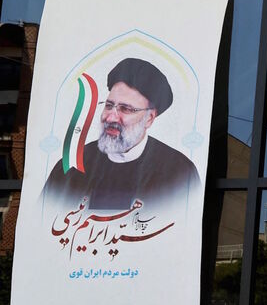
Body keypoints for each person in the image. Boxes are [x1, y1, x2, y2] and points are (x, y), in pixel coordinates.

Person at [43, 58, 199, 211]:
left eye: (126, 109)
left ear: (149, 119)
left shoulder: (179, 172)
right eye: (109, 106)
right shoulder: (72, 165)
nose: (111, 117)